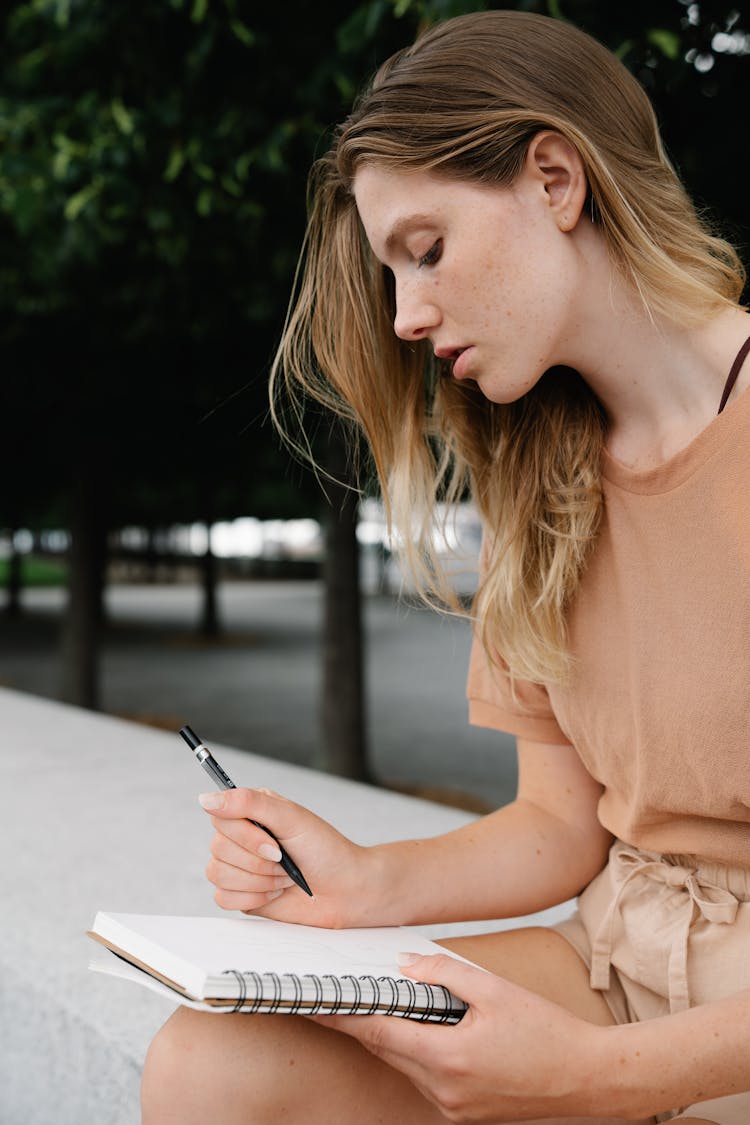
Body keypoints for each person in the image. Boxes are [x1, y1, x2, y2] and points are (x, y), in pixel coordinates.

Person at [141, 11, 750, 1124]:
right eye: (390, 274)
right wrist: (359, 884)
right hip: (619, 958)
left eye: (426, 250)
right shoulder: (542, 477)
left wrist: (592, 1079)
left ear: (556, 178)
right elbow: (562, 825)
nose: (409, 316)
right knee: (214, 1065)